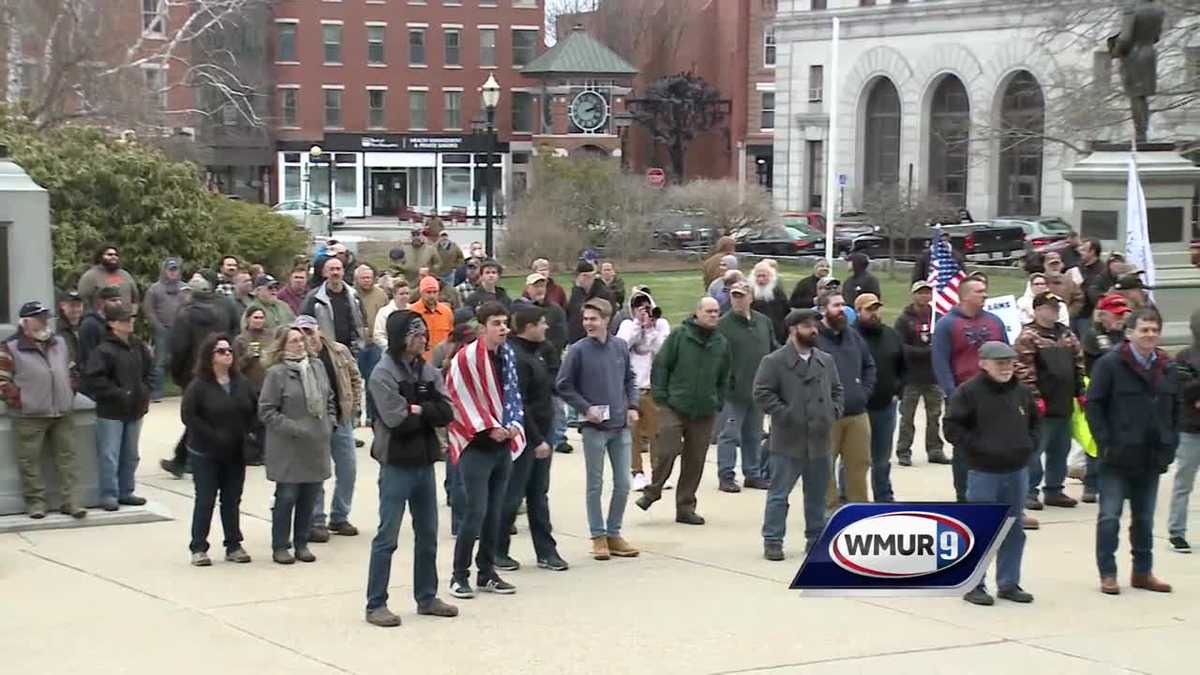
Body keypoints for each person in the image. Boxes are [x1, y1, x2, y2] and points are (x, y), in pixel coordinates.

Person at [364, 310, 459, 627]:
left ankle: (427, 596)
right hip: (396, 464)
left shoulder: (428, 370)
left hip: (424, 461)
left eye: (423, 333)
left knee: (428, 533)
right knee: (387, 536)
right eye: (415, 333)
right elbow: (395, 420)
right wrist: (423, 409)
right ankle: (376, 603)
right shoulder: (382, 373)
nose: (422, 338)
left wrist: (418, 407)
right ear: (400, 337)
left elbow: (447, 411)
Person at [1086, 308, 1179, 595]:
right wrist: (1105, 443)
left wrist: (1169, 443)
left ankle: (1142, 572)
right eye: (1144, 329)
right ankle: (1108, 573)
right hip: (1116, 457)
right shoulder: (1109, 364)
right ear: (1130, 333)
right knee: (1110, 517)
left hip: (1150, 457)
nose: (1149, 334)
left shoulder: (1167, 366)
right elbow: (1094, 406)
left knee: (1144, 519)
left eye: (1154, 330)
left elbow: (1174, 408)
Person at [943, 341, 1040, 606]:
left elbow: (1035, 423)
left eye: (1009, 362)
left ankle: (1008, 584)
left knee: (1013, 528)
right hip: (982, 472)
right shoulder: (968, 392)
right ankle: (974, 585)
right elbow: (952, 427)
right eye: (1000, 363)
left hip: (1016, 471)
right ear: (983, 363)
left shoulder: (1021, 392)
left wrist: (1028, 446)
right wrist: (977, 449)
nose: (1006, 367)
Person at [445, 302, 524, 598]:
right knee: (475, 511)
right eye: (496, 323)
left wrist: (514, 424)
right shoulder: (465, 359)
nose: (503, 328)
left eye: (505, 322)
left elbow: (513, 395)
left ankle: (487, 572)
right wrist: (488, 426)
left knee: (496, 511)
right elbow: (458, 399)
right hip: (475, 445)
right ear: (482, 327)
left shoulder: (507, 355)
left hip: (502, 443)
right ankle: (458, 575)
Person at [754, 308, 843, 560]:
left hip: (819, 440)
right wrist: (786, 414)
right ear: (793, 330)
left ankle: (815, 538)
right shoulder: (774, 361)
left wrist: (832, 411)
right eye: (806, 326)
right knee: (779, 494)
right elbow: (762, 393)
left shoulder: (825, 360)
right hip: (787, 441)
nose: (813, 330)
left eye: (815, 325)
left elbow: (837, 390)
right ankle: (773, 539)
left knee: (816, 495)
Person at [557, 297, 641, 559]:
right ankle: (598, 536)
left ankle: (614, 533)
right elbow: (563, 385)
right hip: (594, 428)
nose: (588, 323)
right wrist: (585, 408)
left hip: (620, 426)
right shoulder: (578, 350)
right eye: (585, 319)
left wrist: (632, 406)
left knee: (623, 483)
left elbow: (629, 379)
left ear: (606, 320)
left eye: (593, 319)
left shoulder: (619, 347)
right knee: (595, 484)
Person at [638, 297, 730, 525]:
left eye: (716, 311)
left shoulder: (721, 343)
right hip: (674, 405)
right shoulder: (680, 336)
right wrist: (661, 397)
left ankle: (685, 507)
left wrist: (718, 400)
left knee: (695, 460)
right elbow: (662, 365)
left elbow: (724, 376)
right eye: (708, 311)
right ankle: (653, 490)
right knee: (668, 449)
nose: (713, 315)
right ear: (697, 312)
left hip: (704, 410)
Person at [495, 305, 568, 573]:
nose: (546, 327)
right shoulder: (516, 357)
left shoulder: (539, 352)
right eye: (542, 323)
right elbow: (520, 404)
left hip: (543, 431)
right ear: (528, 327)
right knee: (512, 495)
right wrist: (537, 440)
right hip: (524, 436)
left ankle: (546, 551)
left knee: (539, 494)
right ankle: (497, 550)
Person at [0, 301, 85, 519]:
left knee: (68, 460)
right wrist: (21, 401)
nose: (44, 321)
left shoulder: (59, 342)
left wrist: (70, 390)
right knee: (29, 462)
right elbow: (2, 381)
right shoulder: (10, 347)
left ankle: (71, 502)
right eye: (39, 317)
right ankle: (36, 503)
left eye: (45, 317)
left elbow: (72, 370)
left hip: (62, 412)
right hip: (29, 415)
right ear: (25, 322)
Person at [259, 324, 335, 565]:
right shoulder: (276, 373)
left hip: (316, 444)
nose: (300, 344)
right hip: (288, 446)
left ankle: (302, 543)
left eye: (301, 340)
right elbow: (267, 410)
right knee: (287, 496)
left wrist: (330, 423)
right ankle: (281, 545)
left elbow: (329, 399)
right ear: (282, 346)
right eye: (293, 341)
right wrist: (293, 427)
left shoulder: (317, 367)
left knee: (309, 496)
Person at [932, 277, 1011, 505]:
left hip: (996, 396)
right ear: (965, 295)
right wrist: (952, 393)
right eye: (979, 291)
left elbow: (1007, 357)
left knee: (999, 445)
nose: (984, 295)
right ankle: (964, 497)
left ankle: (996, 495)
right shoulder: (947, 324)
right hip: (963, 397)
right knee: (965, 449)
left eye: (985, 291)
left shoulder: (995, 322)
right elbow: (940, 363)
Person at [182, 334, 257, 566]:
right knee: (205, 499)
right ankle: (198, 547)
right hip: (206, 453)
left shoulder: (241, 383)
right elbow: (189, 416)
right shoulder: (199, 386)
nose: (227, 355)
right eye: (221, 351)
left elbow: (253, 410)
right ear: (209, 356)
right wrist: (213, 436)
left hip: (235, 452)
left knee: (232, 499)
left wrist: (250, 435)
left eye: (229, 351)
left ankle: (233, 544)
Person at [1014, 292, 1086, 511]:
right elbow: (1023, 370)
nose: (1053, 311)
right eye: (1048, 307)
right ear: (1036, 310)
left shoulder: (1066, 335)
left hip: (1063, 404)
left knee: (1060, 449)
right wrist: (1034, 397)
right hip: (1040, 406)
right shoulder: (1028, 336)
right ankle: (1029, 492)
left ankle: (1054, 490)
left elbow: (1079, 363)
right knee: (1035, 451)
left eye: (1056, 307)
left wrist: (1080, 391)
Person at [298, 314, 364, 542]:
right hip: (316, 422)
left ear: (318, 330)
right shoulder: (299, 356)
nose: (306, 337)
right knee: (318, 471)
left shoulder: (339, 351)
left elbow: (355, 377)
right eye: (302, 332)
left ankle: (339, 516)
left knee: (348, 469)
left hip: (342, 419)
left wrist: (355, 407)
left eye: (309, 331)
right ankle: (316, 519)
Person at [83, 303, 152, 511]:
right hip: (111, 412)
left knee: (131, 454)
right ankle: (109, 494)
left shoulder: (138, 346)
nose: (129, 322)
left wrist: (144, 391)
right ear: (112, 324)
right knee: (109, 455)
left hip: (135, 409)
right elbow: (94, 379)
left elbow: (149, 370)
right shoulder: (103, 350)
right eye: (124, 320)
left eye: (130, 319)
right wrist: (119, 393)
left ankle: (126, 491)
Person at [815, 291, 876, 510]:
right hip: (826, 416)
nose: (841, 309)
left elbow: (869, 365)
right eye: (835, 305)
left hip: (857, 413)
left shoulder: (852, 335)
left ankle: (858, 511)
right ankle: (828, 512)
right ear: (823, 310)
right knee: (824, 466)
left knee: (859, 465)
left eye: (843, 304)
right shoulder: (813, 338)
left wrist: (864, 392)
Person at [715, 282, 774, 493]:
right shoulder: (723, 324)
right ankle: (726, 476)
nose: (738, 300)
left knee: (754, 435)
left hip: (758, 390)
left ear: (751, 297)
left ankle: (753, 474)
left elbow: (773, 350)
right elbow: (716, 357)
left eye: (742, 295)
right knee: (729, 434)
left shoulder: (763, 322)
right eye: (734, 296)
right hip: (732, 392)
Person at [615, 288, 670, 492]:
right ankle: (636, 472)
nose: (643, 310)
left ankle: (658, 473)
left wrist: (651, 330)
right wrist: (638, 326)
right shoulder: (627, 325)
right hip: (633, 388)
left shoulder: (661, 325)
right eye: (638, 306)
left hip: (654, 387)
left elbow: (663, 351)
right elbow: (622, 345)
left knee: (658, 433)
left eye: (646, 306)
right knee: (634, 433)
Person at [855, 293, 905, 503]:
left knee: (882, 459)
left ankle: (884, 497)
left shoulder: (891, 334)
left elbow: (903, 366)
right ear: (858, 312)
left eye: (876, 308)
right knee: (856, 458)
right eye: (869, 309)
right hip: (858, 409)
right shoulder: (850, 336)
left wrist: (897, 391)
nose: (874, 313)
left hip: (886, 406)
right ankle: (849, 496)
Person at [514, 273, 571, 454]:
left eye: (542, 286)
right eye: (535, 286)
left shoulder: (555, 310)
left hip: (550, 358)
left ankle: (559, 436)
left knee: (556, 405)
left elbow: (562, 333)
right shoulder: (519, 308)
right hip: (528, 430)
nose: (539, 289)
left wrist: (549, 348)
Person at [894, 280, 949, 466]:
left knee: (934, 416)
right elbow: (901, 347)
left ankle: (935, 449)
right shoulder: (904, 319)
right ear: (913, 294)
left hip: (933, 375)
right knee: (907, 416)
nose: (924, 296)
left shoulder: (938, 317)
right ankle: (903, 450)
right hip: (911, 375)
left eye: (927, 293)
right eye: (920, 293)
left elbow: (944, 344)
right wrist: (925, 351)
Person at [1166, 308, 1200, 554]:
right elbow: (1186, 392)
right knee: (1184, 482)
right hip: (1191, 429)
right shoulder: (1183, 358)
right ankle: (1177, 531)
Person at [301, 256, 364, 356]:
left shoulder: (354, 296)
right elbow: (304, 324)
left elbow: (361, 322)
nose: (335, 272)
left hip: (351, 352)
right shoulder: (314, 297)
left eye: (338, 269)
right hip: (325, 352)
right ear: (324, 273)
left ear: (343, 271)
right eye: (331, 269)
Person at [144, 258, 186, 401]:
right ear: (164, 271)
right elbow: (149, 310)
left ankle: (185, 390)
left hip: (182, 329)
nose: (173, 272)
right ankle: (157, 392)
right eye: (170, 269)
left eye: (176, 269)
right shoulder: (154, 289)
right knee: (160, 361)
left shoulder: (185, 288)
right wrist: (158, 326)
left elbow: (190, 306)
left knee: (183, 359)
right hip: (163, 329)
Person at [77, 244, 140, 311]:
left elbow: (135, 298)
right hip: (100, 319)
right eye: (109, 255)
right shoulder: (90, 276)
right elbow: (83, 300)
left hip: (124, 319)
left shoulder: (125, 275)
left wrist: (133, 315)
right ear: (100, 257)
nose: (113, 257)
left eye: (116, 255)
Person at [565, 260, 612, 344]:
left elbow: (608, 318)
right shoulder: (576, 291)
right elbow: (570, 313)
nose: (576, 280)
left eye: (578, 276)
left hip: (596, 340)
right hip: (575, 340)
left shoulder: (603, 294)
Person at [409, 276, 453, 361]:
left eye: (435, 292)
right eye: (428, 292)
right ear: (421, 293)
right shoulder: (412, 312)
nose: (432, 296)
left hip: (442, 361)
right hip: (420, 361)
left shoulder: (447, 312)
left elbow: (450, 338)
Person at [77, 286, 124, 368]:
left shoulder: (116, 324)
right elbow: (90, 357)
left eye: (120, 300)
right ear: (101, 303)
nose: (118, 303)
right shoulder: (90, 325)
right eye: (113, 300)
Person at [750, 261, 790, 343]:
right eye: (758, 276)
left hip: (777, 333)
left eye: (764, 276)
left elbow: (786, 313)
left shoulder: (778, 292)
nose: (761, 279)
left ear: (771, 277)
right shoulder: (750, 293)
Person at [1074, 237, 1106, 337]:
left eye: (1084, 250)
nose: (1081, 253)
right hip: (1074, 312)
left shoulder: (1103, 271)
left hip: (1089, 316)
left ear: (1092, 252)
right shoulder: (1079, 266)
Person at [234, 307, 271, 390]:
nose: (259, 321)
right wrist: (247, 356)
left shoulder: (271, 336)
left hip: (269, 382)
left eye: (261, 318)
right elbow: (235, 367)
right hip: (250, 384)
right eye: (256, 318)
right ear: (248, 319)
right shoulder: (240, 339)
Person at [1042, 252, 1084, 320]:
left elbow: (1078, 299)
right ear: (1045, 265)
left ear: (1062, 265)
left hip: (1064, 320)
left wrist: (1068, 313)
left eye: (1057, 264)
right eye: (1051, 264)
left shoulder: (1069, 281)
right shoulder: (1038, 281)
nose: (1054, 267)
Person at [55, 291, 85, 364]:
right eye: (72, 306)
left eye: (79, 306)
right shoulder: (57, 329)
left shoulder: (86, 326)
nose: (76, 310)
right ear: (62, 306)